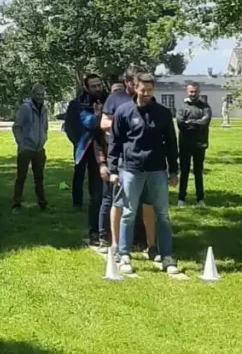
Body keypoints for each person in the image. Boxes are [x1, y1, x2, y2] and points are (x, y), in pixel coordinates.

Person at [109, 73, 180, 276]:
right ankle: (124, 255)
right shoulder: (123, 112)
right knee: (129, 213)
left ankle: (166, 255)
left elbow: (171, 144)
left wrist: (173, 170)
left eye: (150, 90)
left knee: (163, 215)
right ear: (135, 88)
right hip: (131, 170)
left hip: (157, 170)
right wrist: (113, 170)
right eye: (143, 90)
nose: (146, 93)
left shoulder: (163, 113)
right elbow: (115, 143)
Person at [99, 68, 153, 255]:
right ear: (127, 82)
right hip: (121, 158)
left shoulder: (147, 101)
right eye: (131, 82)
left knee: (143, 203)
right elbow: (103, 123)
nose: (134, 86)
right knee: (118, 201)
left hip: (142, 159)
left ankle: (143, 241)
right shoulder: (116, 98)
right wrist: (122, 120)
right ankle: (113, 242)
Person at [65, 75, 107, 246]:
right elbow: (86, 122)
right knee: (84, 179)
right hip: (85, 146)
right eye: (93, 86)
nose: (97, 89)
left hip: (105, 147)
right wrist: (99, 116)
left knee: (104, 189)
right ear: (86, 88)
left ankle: (106, 228)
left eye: (99, 85)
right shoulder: (78, 103)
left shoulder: (107, 99)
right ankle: (78, 204)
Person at [12, 84, 50, 210]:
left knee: (39, 178)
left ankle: (42, 203)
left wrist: (44, 138)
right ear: (32, 94)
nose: (40, 97)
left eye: (42, 95)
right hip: (26, 148)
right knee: (21, 177)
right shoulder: (25, 108)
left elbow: (45, 126)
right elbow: (16, 127)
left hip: (39, 149)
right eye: (38, 94)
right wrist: (21, 144)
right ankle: (16, 204)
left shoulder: (44, 109)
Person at [176, 82, 212, 207]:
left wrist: (190, 122)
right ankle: (181, 198)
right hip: (185, 144)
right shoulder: (182, 106)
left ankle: (200, 199)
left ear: (199, 91)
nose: (193, 94)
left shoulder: (205, 106)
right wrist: (197, 123)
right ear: (187, 91)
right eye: (191, 91)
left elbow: (205, 122)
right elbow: (180, 123)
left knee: (198, 172)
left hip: (200, 144)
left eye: (195, 91)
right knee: (184, 171)